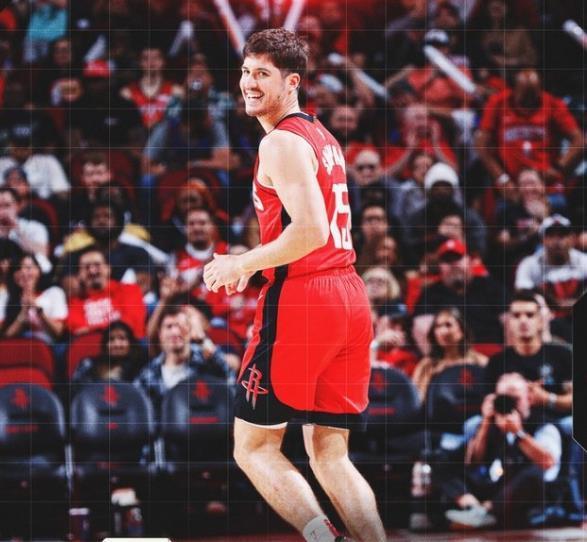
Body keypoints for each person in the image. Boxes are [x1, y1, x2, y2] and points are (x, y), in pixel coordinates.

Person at [202, 29, 386, 542]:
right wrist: (260, 262)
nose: (249, 83)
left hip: (305, 300)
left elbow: (309, 231)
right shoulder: (322, 137)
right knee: (330, 453)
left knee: (253, 447)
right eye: (246, 71)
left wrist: (242, 263)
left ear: (292, 82)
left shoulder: (279, 141)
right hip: (347, 294)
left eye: (263, 74)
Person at [444, 372, 561, 529]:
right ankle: (473, 508)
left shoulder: (544, 425)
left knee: (534, 473)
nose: (509, 405)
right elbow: (472, 462)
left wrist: (518, 433)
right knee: (440, 458)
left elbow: (548, 464)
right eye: (503, 399)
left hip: (526, 495)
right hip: (494, 486)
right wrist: (486, 422)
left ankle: (485, 512)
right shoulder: (489, 423)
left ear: (529, 398)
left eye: (515, 399)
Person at [134, 305, 231, 412]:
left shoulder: (207, 361)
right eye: (169, 326)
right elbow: (138, 408)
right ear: (160, 333)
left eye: (180, 326)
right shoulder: (150, 374)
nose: (175, 332)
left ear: (190, 330)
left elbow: (230, 381)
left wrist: (202, 339)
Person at [412, 307, 487, 401]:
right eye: (437, 326)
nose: (443, 331)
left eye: (448, 325)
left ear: (462, 331)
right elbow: (416, 400)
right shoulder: (426, 365)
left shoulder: (480, 362)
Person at [1, 253, 67, 343]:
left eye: (28, 268)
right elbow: (7, 338)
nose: (23, 272)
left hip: (49, 347)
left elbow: (58, 332)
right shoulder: (7, 297)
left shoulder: (54, 293)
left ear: (39, 271)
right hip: (20, 347)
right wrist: (24, 312)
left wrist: (38, 309)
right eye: (18, 269)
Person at [72, 320, 145, 387]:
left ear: (131, 343)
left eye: (122, 338)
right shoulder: (89, 364)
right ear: (105, 345)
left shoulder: (141, 367)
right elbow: (75, 391)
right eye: (111, 339)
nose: (116, 345)